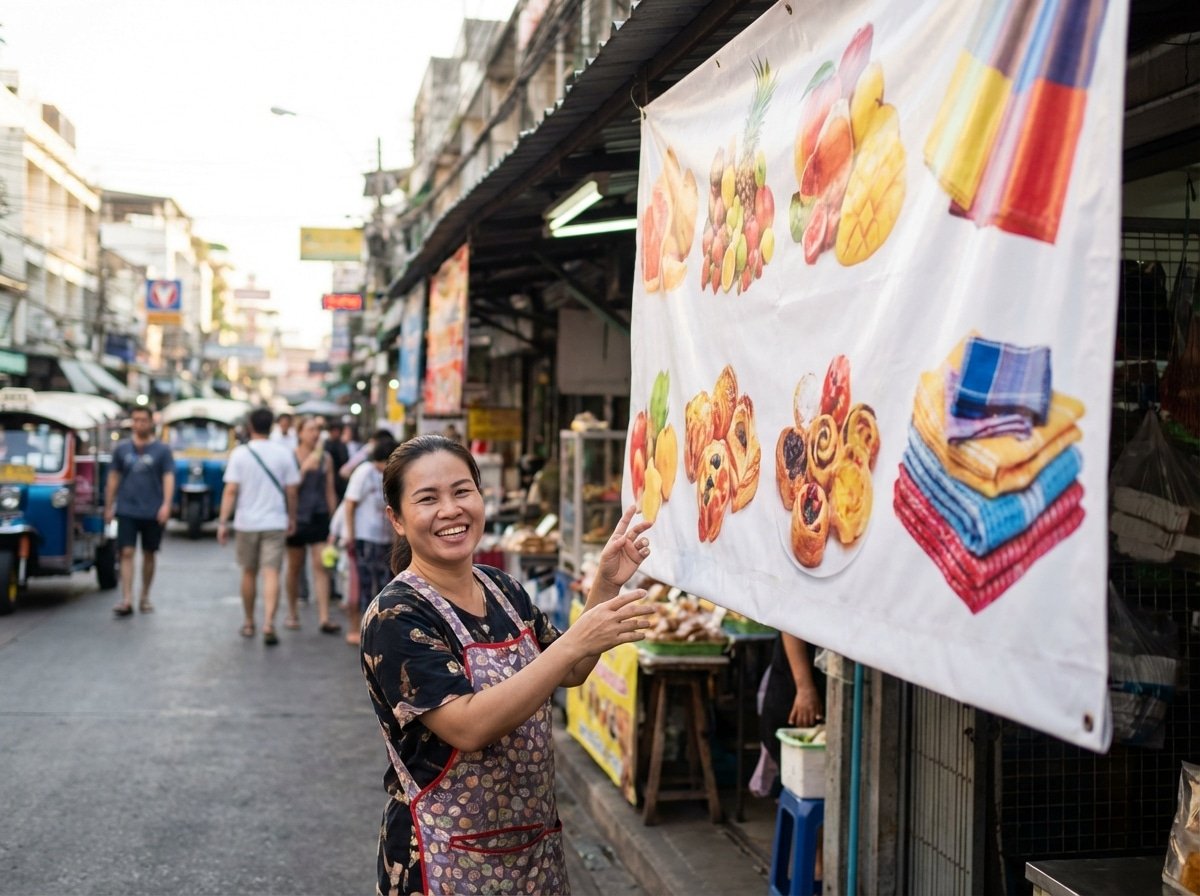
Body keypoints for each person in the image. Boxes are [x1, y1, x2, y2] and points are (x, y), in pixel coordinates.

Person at [360, 434, 655, 894]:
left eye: (462, 491)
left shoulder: (502, 589)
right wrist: (576, 639)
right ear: (396, 520)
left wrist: (606, 584)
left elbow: (570, 669)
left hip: (531, 856)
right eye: (428, 499)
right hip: (442, 859)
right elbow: (468, 726)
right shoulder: (396, 615)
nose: (451, 510)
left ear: (481, 497)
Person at [217, 407, 300, 645]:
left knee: (249, 572)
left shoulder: (240, 454)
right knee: (272, 572)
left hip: (246, 523)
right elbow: (292, 490)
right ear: (272, 425)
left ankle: (249, 622)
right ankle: (268, 624)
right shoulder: (283, 453)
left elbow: (231, 490)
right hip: (275, 521)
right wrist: (291, 517)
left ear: (251, 426)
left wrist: (223, 521)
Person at [105, 405, 175, 617]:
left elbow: (168, 477)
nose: (138, 424)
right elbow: (113, 477)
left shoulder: (162, 451)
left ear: (151, 422)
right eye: (135, 420)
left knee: (149, 554)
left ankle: (144, 595)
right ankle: (127, 599)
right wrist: (109, 505)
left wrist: (166, 505)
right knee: (126, 551)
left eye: (142, 420)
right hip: (127, 508)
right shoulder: (122, 449)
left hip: (153, 510)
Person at [284, 416, 340, 634]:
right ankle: (292, 612)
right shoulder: (290, 458)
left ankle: (324, 617)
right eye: (309, 430)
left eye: (317, 429)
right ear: (299, 433)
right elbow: (289, 490)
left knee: (321, 567)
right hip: (297, 517)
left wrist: (334, 520)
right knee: (294, 568)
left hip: (318, 516)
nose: (314, 434)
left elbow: (329, 490)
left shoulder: (325, 458)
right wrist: (304, 470)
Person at [341, 434, 397, 647]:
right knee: (365, 584)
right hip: (365, 537)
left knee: (385, 585)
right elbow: (349, 504)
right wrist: (350, 534)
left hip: (386, 538)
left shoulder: (390, 474)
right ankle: (366, 631)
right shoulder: (364, 472)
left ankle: (382, 630)